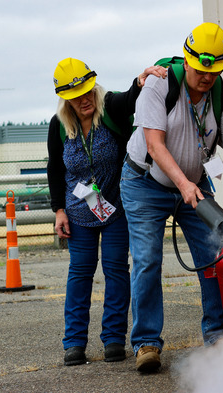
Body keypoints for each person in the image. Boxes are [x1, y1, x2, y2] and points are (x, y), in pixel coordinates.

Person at [120, 22, 223, 372]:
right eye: (201, 69)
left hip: (193, 183)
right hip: (145, 182)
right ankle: (146, 342)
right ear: (187, 59)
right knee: (147, 258)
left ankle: (218, 333)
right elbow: (154, 145)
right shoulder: (160, 85)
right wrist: (184, 184)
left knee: (214, 252)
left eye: (214, 70)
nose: (207, 77)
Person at [47, 58, 167, 366]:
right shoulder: (58, 126)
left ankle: (113, 340)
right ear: (65, 98)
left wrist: (140, 81)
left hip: (116, 209)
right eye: (76, 96)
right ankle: (74, 343)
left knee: (116, 272)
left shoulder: (110, 109)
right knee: (79, 275)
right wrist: (58, 210)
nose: (85, 100)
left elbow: (129, 101)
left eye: (88, 91)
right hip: (78, 212)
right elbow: (55, 170)